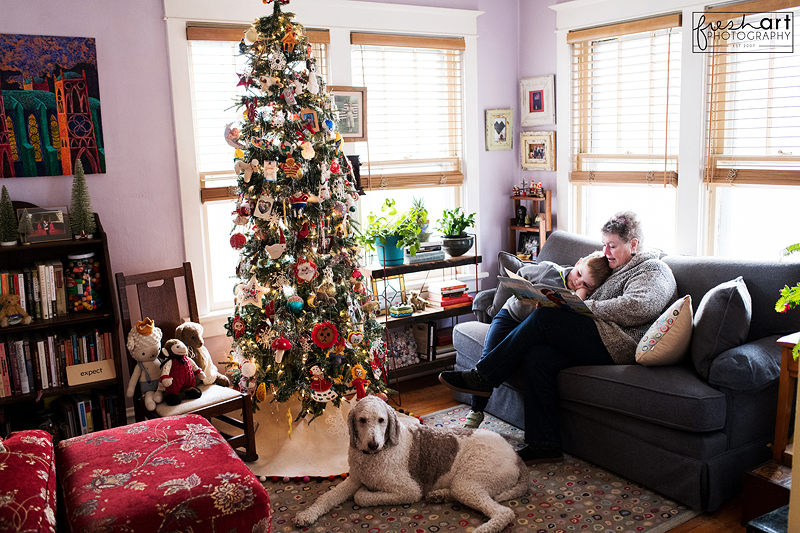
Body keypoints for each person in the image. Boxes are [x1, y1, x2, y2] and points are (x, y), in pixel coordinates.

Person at [439, 211, 677, 465]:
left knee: (546, 319)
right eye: (604, 245)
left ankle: (482, 378)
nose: (606, 252)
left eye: (613, 246)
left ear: (633, 244)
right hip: (596, 334)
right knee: (538, 357)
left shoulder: (654, 269)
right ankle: (544, 444)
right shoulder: (614, 268)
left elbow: (638, 307)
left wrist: (586, 307)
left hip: (618, 343)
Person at [460, 251, 612, 430]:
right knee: (490, 357)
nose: (578, 282)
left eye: (587, 284)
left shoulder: (584, 297)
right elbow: (520, 277)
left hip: (533, 331)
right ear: (578, 263)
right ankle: (475, 411)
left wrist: (581, 294)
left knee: (519, 356)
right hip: (511, 316)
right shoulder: (549, 271)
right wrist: (529, 295)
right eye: (579, 274)